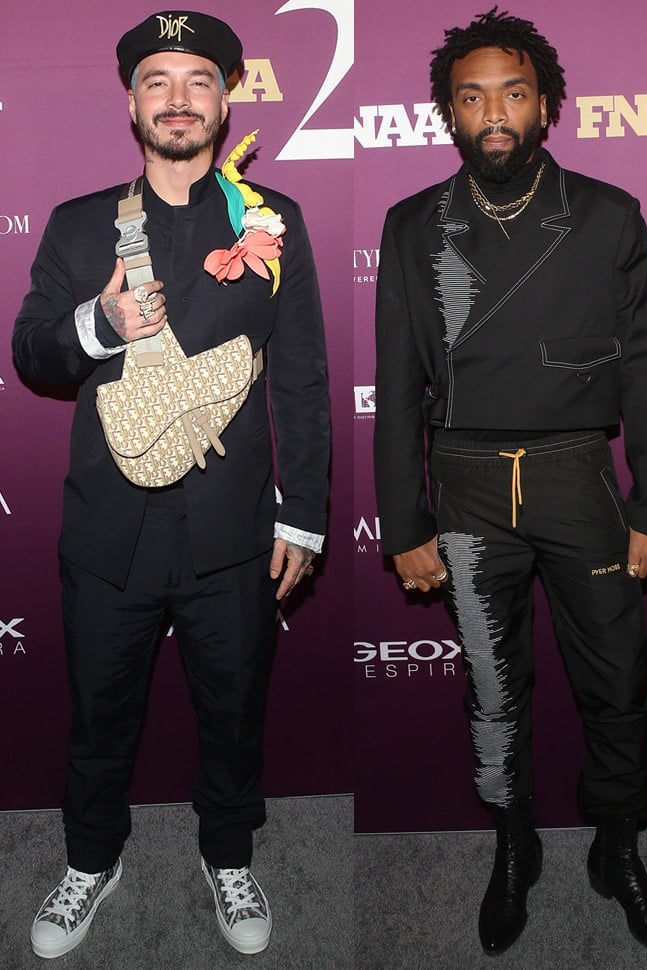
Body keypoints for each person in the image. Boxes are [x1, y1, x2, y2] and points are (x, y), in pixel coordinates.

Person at [13, 10, 329, 960]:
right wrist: (100, 322)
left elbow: (304, 377)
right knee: (98, 711)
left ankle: (227, 853)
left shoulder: (273, 222)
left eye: (199, 80)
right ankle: (89, 860)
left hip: (233, 535)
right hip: (108, 533)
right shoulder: (78, 224)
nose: (179, 99)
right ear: (132, 102)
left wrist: (304, 519)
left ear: (226, 98)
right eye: (158, 81)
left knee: (233, 711)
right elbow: (31, 351)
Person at [374, 7, 647, 961]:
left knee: (620, 679)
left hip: (577, 482)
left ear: (545, 104)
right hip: (465, 488)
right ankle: (514, 845)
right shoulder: (410, 225)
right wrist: (403, 521)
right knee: (492, 684)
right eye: (472, 97)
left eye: (513, 92)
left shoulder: (607, 215)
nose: (494, 112)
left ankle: (618, 849)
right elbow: (395, 386)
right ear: (448, 114)